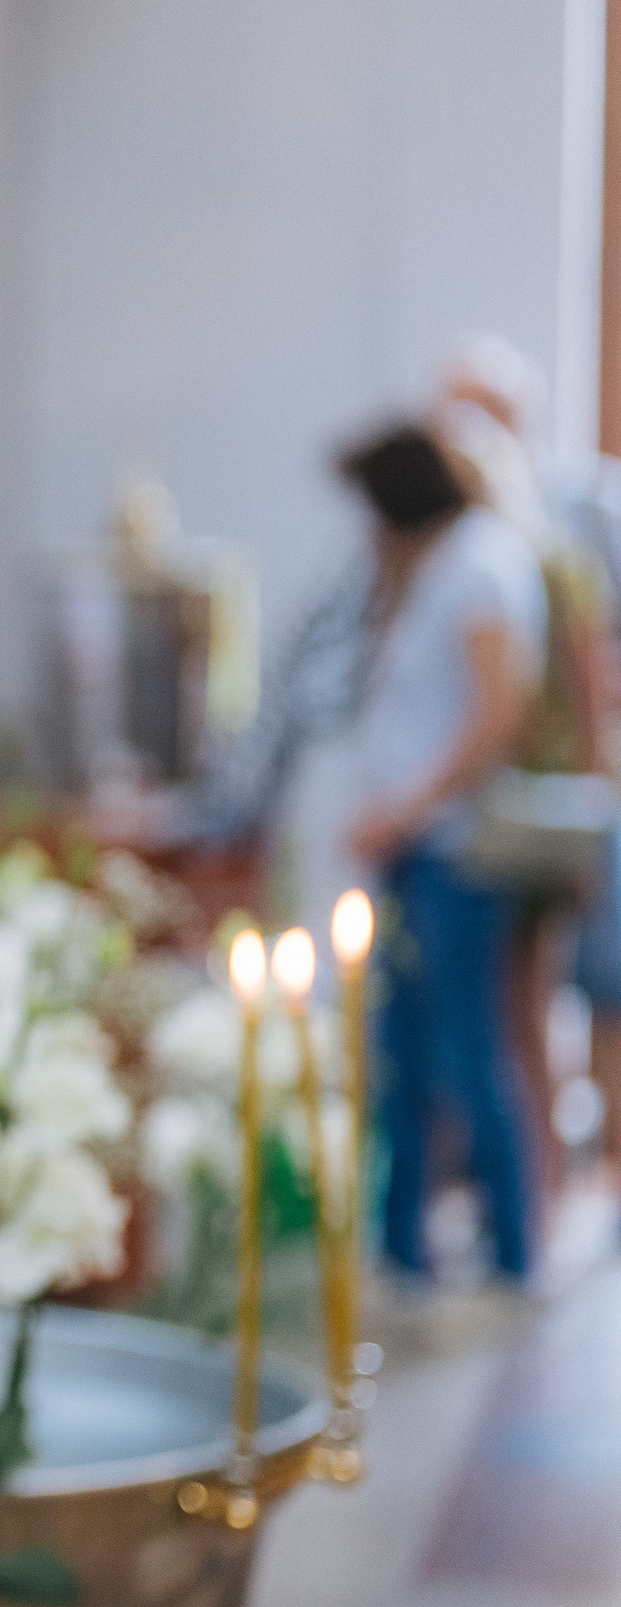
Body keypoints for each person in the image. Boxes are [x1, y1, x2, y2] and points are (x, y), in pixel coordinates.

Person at [340, 423, 545, 1283]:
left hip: (450, 850)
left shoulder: (479, 564)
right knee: (403, 1053)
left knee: (466, 1048)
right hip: (415, 844)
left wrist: (410, 808)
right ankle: (400, 1253)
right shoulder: (438, 565)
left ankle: (511, 1258)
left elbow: (497, 711)